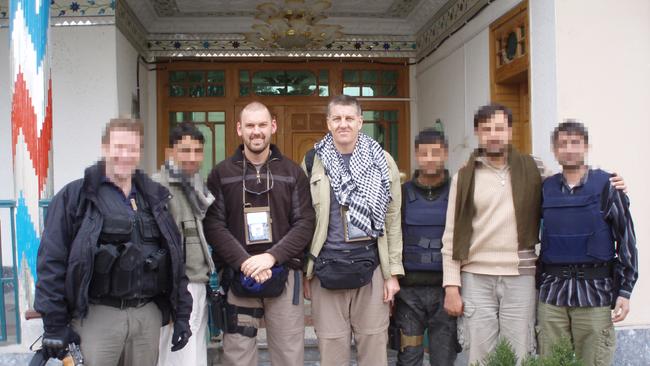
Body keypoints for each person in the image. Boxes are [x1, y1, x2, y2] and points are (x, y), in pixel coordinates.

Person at [441, 104, 627, 364]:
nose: (493, 134)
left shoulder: (534, 168)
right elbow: (451, 234)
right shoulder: (464, 176)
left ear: (510, 131)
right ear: (477, 133)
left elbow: (569, 186)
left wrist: (611, 182)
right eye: (486, 129)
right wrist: (451, 285)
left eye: (499, 128)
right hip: (475, 276)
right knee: (478, 355)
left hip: (521, 276)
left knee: (520, 353)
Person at [34, 119, 192, 366]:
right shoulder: (75, 196)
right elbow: (51, 262)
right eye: (118, 147)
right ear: (105, 147)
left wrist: (182, 314)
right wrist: (54, 324)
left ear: (140, 152)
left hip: (146, 316)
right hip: (97, 316)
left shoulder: (155, 199)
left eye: (132, 148)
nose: (125, 155)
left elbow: (175, 258)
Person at [203, 101, 315, 366]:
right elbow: (214, 225)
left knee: (289, 356)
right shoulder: (221, 174)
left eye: (262, 125)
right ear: (239, 129)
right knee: (237, 357)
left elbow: (305, 223)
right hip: (239, 278)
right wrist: (246, 262)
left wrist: (270, 257)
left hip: (285, 274)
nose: (257, 131)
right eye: (250, 125)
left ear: (273, 127)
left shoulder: (292, 173)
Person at [302, 94, 403, 366]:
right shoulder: (313, 161)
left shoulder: (382, 161)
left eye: (349, 118)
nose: (343, 124)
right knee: (332, 353)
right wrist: (306, 272)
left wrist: (392, 273)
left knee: (373, 351)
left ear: (360, 121)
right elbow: (303, 219)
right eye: (337, 118)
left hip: (371, 270)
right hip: (327, 269)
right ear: (328, 123)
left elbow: (392, 219)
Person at [536, 120, 638, 365]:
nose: (569, 149)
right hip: (553, 296)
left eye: (575, 143)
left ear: (586, 146)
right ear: (554, 150)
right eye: (562, 144)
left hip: (595, 294)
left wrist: (625, 291)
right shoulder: (545, 189)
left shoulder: (608, 186)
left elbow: (626, 241)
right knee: (551, 362)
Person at [393, 129, 458, 366]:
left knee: (444, 358)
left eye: (436, 152)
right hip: (409, 294)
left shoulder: (457, 192)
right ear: (416, 155)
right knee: (409, 357)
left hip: (446, 291)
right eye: (424, 153)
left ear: (446, 154)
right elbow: (393, 238)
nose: (430, 158)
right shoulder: (401, 193)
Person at [154, 122, 217, 366]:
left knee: (194, 356)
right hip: (174, 289)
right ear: (170, 152)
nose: (192, 158)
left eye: (197, 151)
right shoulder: (158, 187)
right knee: (174, 356)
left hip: (198, 283)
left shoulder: (196, 186)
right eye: (185, 151)